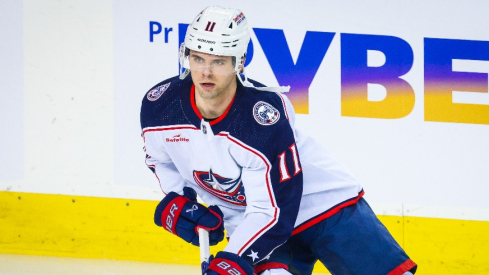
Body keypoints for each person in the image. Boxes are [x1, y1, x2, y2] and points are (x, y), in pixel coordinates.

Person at [140, 5, 417, 275]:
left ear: (239, 62)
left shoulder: (260, 118)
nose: (205, 73)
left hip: (323, 205)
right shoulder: (160, 107)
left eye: (219, 61)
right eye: (198, 59)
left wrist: (231, 261)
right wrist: (182, 200)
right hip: (254, 225)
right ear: (185, 56)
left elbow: (272, 210)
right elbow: (160, 159)